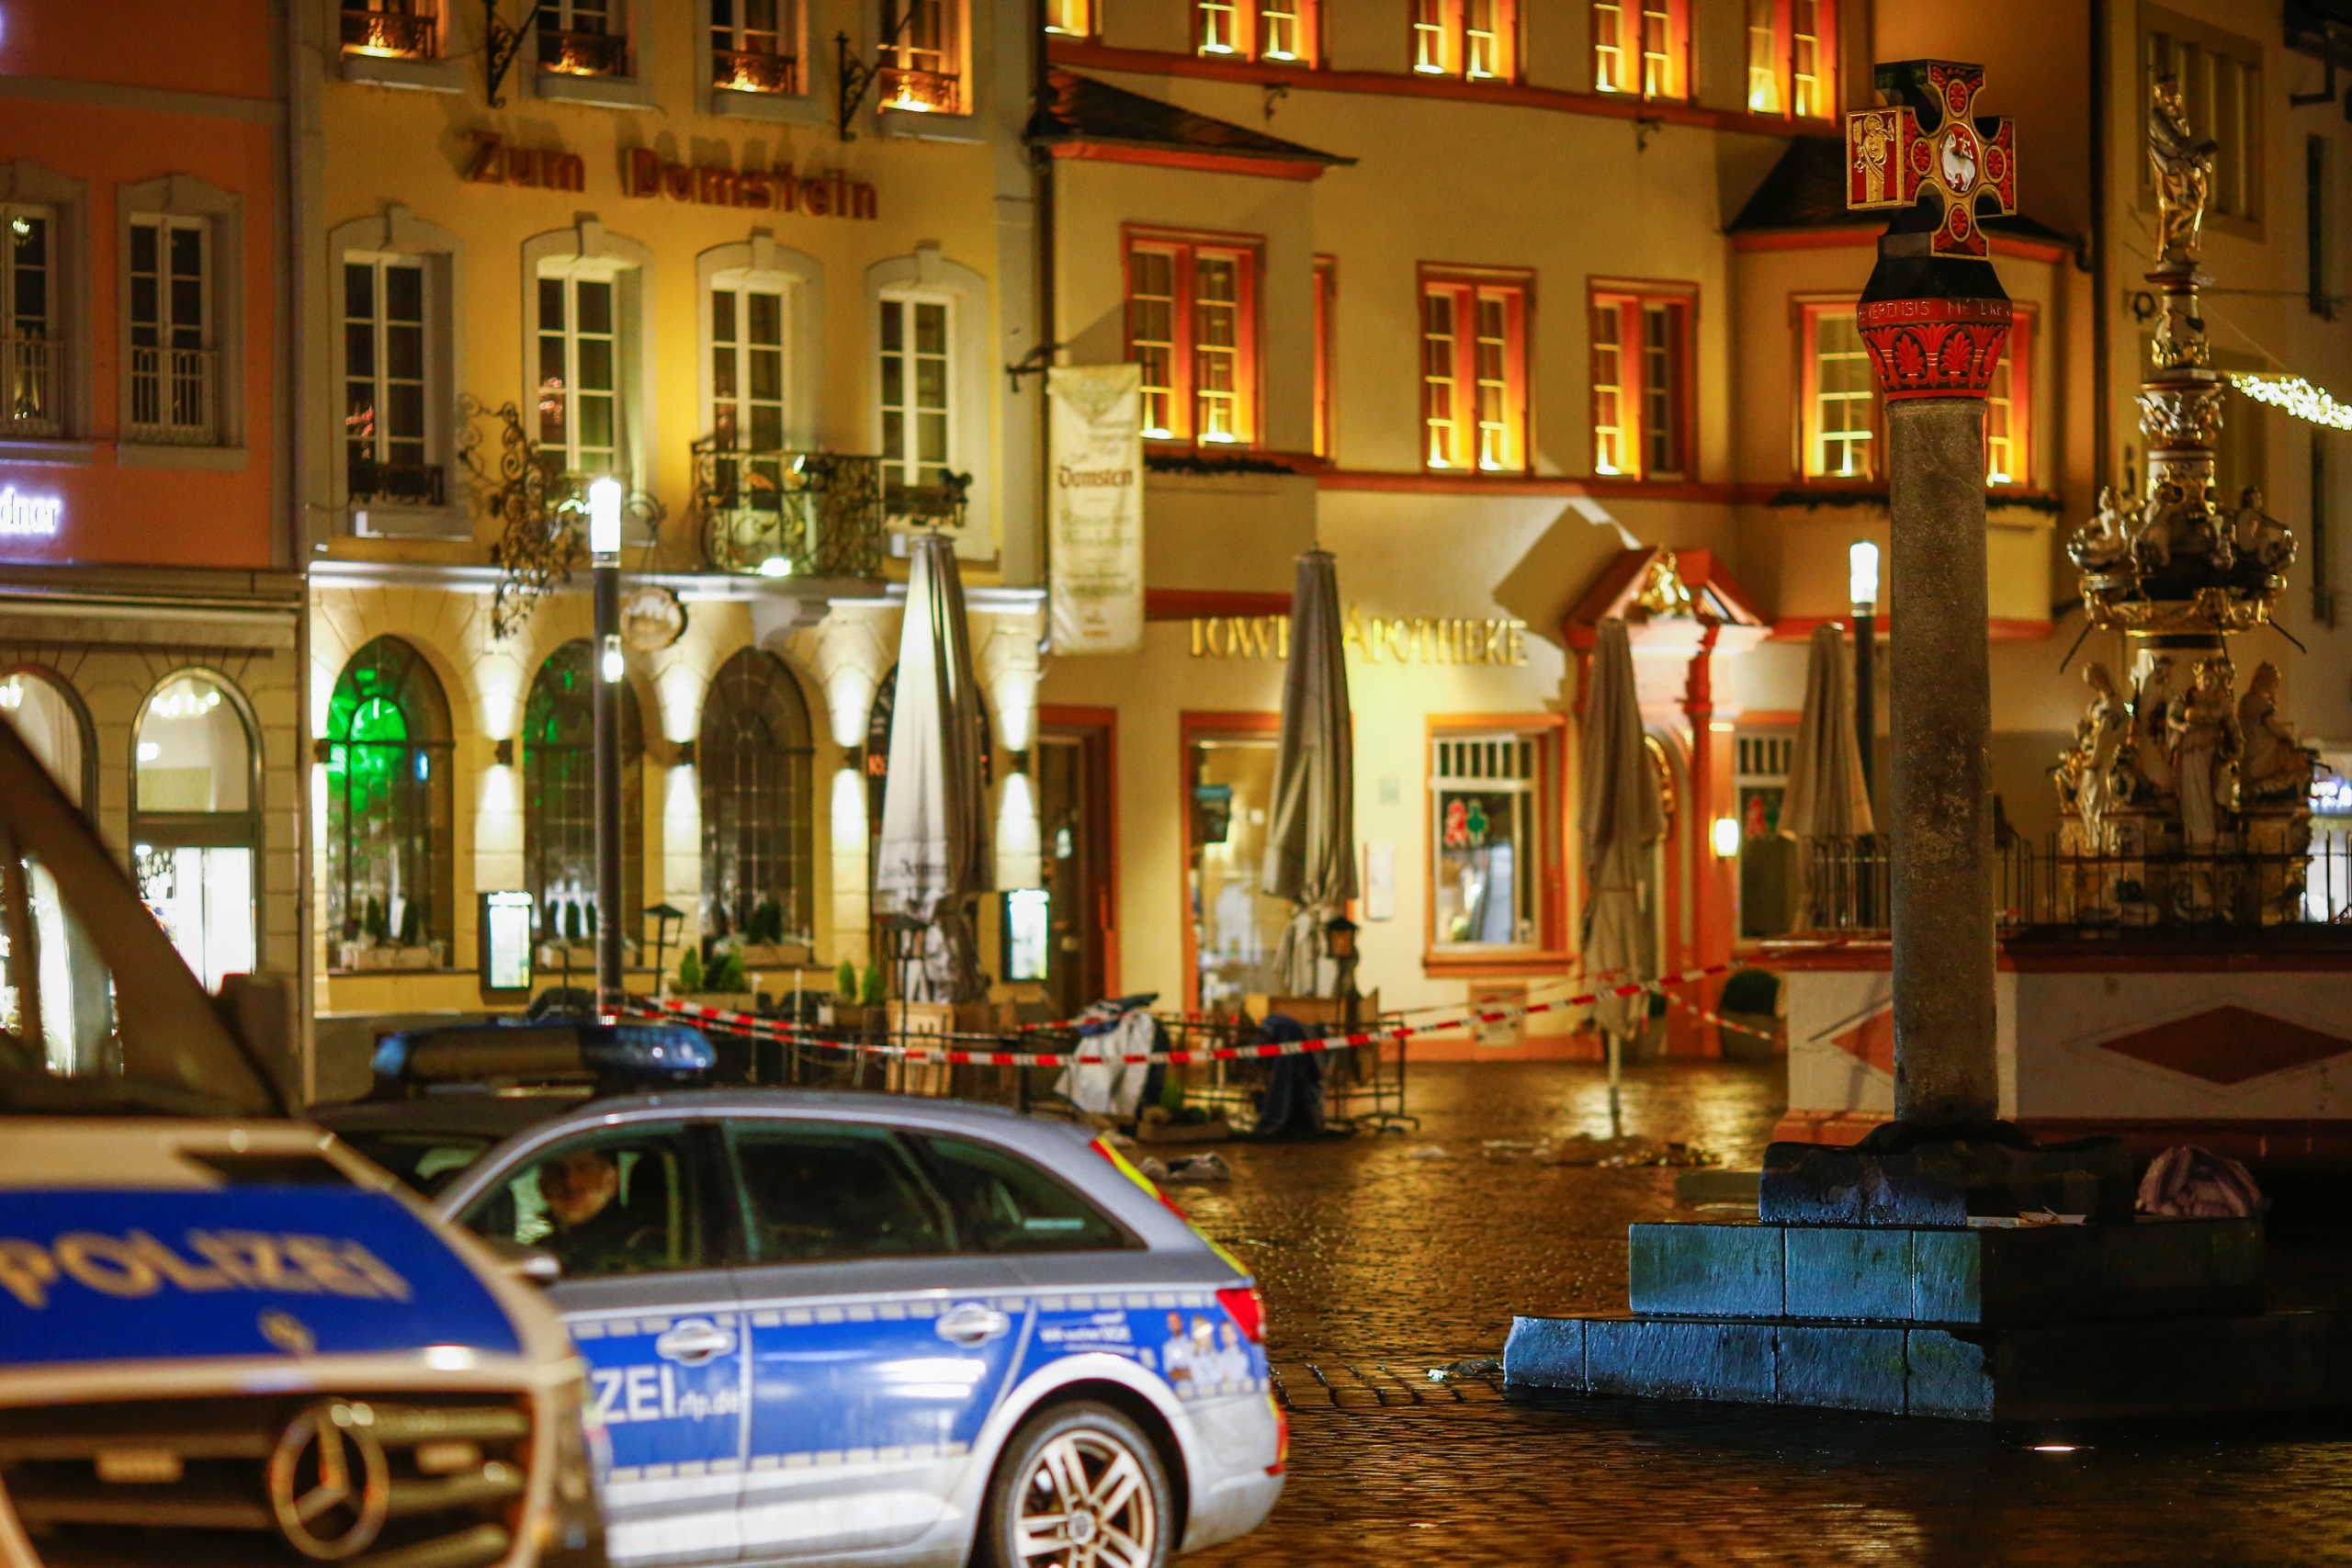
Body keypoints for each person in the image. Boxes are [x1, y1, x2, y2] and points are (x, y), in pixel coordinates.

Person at [537, 1146, 661, 1276]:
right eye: (556, 1172)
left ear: (611, 1180)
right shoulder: (536, 1255)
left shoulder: (641, 1245)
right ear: (542, 1186)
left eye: (584, 1169)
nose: (571, 1183)